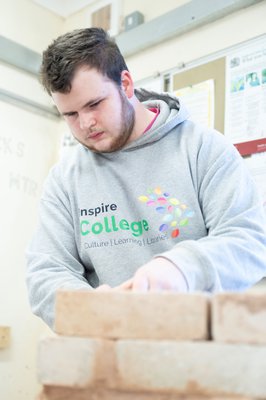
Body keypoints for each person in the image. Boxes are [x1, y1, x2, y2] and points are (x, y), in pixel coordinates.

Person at [26, 28, 266, 329]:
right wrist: (90, 309)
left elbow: (249, 239)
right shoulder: (65, 180)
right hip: (110, 357)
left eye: (94, 104)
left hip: (204, 356)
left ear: (125, 84)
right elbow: (45, 272)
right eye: (70, 114)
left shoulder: (203, 149)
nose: (85, 123)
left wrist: (181, 268)